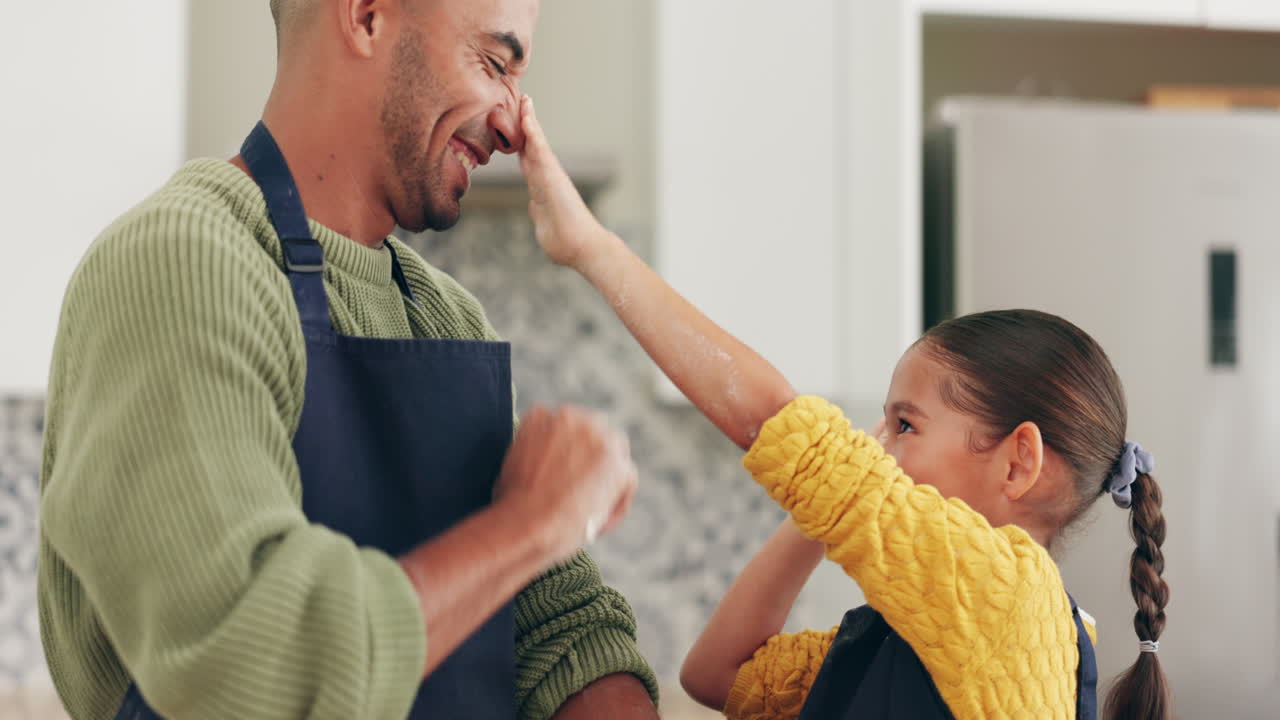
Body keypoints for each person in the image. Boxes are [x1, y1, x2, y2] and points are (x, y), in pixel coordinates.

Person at [37, 1, 660, 719]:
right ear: (364, 16)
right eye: (494, 64)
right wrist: (531, 525)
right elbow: (243, 664)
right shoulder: (179, 262)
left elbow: (567, 636)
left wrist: (544, 540)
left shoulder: (444, 317)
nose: (512, 123)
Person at [517, 95, 1171, 720]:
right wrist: (825, 505)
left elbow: (776, 423)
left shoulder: (1007, 599)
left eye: (906, 424)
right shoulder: (932, 630)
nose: (879, 447)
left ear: (1018, 461)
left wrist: (592, 248)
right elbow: (718, 675)